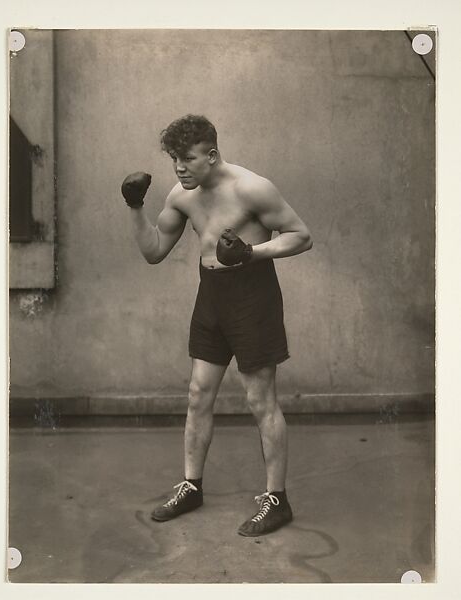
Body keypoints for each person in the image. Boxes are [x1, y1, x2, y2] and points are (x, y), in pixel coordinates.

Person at [121, 114, 312, 536]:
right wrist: (135, 207)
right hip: (211, 296)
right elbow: (153, 250)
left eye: (187, 159)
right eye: (174, 160)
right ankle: (192, 485)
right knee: (197, 393)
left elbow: (301, 235)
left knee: (260, 398)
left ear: (212, 154)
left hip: (252, 296)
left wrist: (251, 252)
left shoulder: (252, 188)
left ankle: (277, 500)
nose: (179, 168)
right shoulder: (182, 195)